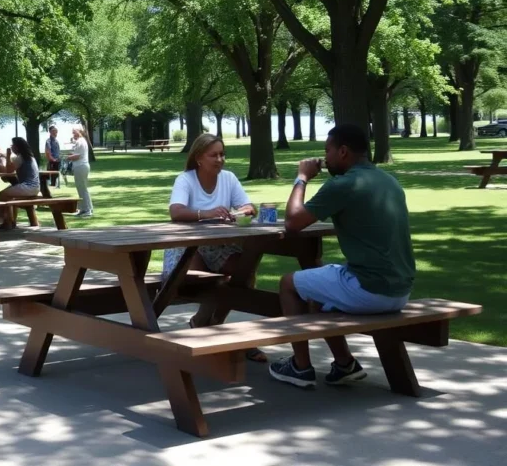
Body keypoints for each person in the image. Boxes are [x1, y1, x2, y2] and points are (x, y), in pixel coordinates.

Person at [269, 124, 416, 389]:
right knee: (317, 288)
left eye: (328, 151)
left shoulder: (344, 184)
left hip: (370, 289)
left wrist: (301, 177)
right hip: (400, 291)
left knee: (289, 284)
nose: (325, 158)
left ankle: (300, 367)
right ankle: (344, 363)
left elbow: (292, 223)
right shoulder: (388, 181)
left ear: (344, 151)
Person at [162, 133, 263, 362]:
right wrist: (205, 214)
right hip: (187, 247)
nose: (220, 159)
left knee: (244, 275)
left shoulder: (228, 178)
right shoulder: (186, 179)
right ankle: (205, 328)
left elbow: (248, 207)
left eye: (222, 154)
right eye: (213, 155)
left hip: (220, 245)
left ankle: (210, 325)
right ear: (199, 158)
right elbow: (176, 211)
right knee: (210, 281)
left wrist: (243, 211)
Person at [0, 137, 41, 228]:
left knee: (2, 195)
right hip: (36, 187)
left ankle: (8, 221)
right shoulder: (30, 157)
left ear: (17, 147)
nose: (11, 147)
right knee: (10, 197)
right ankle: (11, 221)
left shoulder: (21, 157)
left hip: (27, 187)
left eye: (12, 145)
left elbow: (9, 170)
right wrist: (6, 156)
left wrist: (8, 156)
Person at [65, 125, 93, 217]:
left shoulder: (80, 141)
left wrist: (67, 157)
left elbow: (78, 156)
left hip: (80, 166)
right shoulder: (79, 141)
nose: (73, 133)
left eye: (74, 131)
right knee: (81, 188)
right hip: (80, 166)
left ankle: (87, 210)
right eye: (72, 132)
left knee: (82, 188)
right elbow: (76, 154)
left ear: (79, 131)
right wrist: (71, 155)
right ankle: (84, 208)